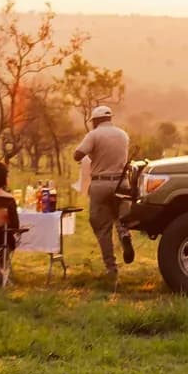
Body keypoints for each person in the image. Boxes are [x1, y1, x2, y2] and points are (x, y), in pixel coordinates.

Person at [74, 105, 134, 282]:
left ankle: (111, 268)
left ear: (96, 120)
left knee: (102, 227)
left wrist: (91, 154)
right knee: (119, 217)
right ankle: (124, 234)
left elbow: (77, 155)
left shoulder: (94, 135)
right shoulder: (123, 134)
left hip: (101, 183)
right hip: (122, 183)